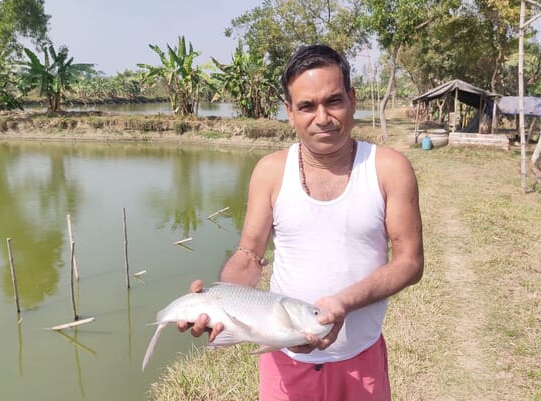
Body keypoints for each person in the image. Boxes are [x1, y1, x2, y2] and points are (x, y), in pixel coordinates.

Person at [178, 44, 424, 401]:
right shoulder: (270, 171)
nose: (321, 117)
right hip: (285, 362)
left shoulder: (388, 168)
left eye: (333, 101)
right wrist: (221, 302)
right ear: (289, 112)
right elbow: (249, 254)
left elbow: (410, 261)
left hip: (360, 359)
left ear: (352, 100)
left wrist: (344, 302)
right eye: (307, 106)